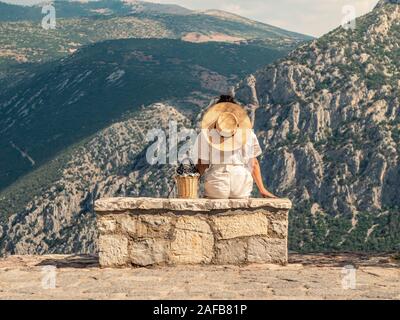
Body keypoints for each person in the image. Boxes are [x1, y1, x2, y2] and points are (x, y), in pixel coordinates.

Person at [194, 95, 277, 199]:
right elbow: (254, 163)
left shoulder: (206, 135)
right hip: (241, 184)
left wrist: (190, 182)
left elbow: (202, 165)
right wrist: (262, 189)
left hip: (217, 184)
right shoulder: (248, 134)